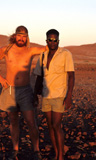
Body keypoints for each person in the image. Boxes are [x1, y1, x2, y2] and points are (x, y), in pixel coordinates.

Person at [0, 25, 46, 160]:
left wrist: (55, 41)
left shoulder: (30, 51)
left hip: (25, 90)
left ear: (27, 38)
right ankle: (15, 149)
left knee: (31, 122)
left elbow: (48, 48)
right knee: (13, 121)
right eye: (19, 35)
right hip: (9, 90)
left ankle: (36, 150)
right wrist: (0, 78)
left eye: (24, 36)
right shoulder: (5, 50)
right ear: (15, 36)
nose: (21, 38)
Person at [34, 29, 75, 160]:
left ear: (58, 40)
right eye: (50, 40)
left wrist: (69, 96)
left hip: (59, 95)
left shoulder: (65, 54)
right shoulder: (43, 55)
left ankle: (61, 156)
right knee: (50, 126)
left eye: (55, 40)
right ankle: (57, 152)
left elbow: (71, 76)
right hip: (46, 96)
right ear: (46, 40)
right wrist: (35, 94)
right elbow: (39, 77)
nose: (53, 42)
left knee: (57, 125)